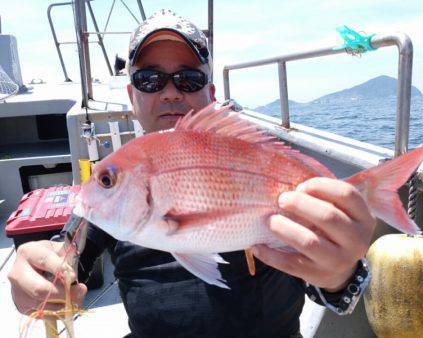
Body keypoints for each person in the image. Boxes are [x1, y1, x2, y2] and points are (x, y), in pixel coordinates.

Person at [8, 9, 375, 338]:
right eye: (150, 79)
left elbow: (331, 292)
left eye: (187, 79)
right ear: (132, 95)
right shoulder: (118, 181)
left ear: (211, 93)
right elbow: (70, 248)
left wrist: (340, 274)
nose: (169, 93)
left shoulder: (248, 155)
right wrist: (40, 275)